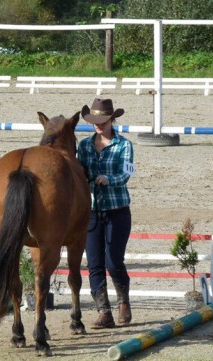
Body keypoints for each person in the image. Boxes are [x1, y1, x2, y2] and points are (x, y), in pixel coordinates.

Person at [77, 98, 134, 329]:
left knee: (114, 261)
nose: (98, 125)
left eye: (103, 121)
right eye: (94, 121)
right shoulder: (84, 146)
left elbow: (127, 174)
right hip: (91, 212)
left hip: (117, 210)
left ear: (112, 119)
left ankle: (123, 301)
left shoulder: (124, 145)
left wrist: (108, 179)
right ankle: (104, 311)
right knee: (94, 264)